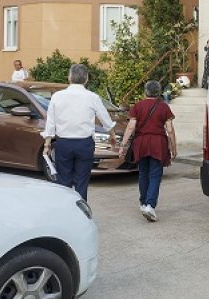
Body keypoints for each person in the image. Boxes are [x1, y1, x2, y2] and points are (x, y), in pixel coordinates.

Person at [41, 64, 116, 201]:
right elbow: (105, 118)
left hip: (63, 143)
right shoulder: (92, 97)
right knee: (82, 181)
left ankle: (66, 211)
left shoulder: (57, 96)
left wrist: (47, 144)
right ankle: (81, 212)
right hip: (84, 144)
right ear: (86, 78)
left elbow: (50, 123)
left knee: (64, 182)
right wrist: (112, 135)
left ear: (69, 77)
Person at [119, 80, 176, 222]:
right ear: (158, 92)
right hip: (158, 143)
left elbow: (131, 127)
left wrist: (123, 145)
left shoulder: (137, 106)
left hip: (141, 143)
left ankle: (143, 203)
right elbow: (169, 129)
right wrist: (173, 147)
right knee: (155, 174)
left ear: (145, 91)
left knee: (143, 173)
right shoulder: (164, 107)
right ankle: (150, 205)